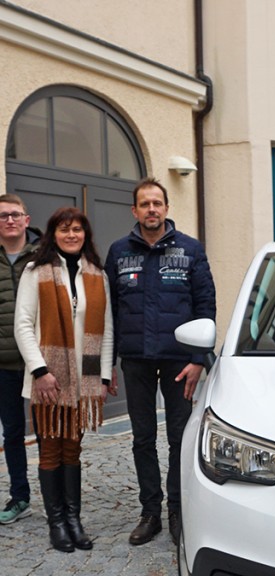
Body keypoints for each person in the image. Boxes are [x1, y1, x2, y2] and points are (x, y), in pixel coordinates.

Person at [105, 177, 215, 547]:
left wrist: (199, 358)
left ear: (167, 208)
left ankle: (178, 511)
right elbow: (112, 314)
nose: (152, 209)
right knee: (142, 439)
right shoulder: (119, 252)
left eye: (157, 203)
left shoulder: (190, 250)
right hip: (135, 360)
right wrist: (109, 364)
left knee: (180, 439)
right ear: (134, 211)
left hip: (179, 363)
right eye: (144, 204)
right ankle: (150, 512)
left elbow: (205, 306)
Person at [14, 207, 115, 552]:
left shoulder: (97, 275)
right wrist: (40, 371)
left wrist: (102, 377)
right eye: (64, 229)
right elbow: (23, 325)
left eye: (77, 229)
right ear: (52, 234)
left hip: (83, 379)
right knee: (50, 451)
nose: (71, 235)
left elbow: (107, 330)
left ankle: (74, 519)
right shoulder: (35, 271)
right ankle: (56, 522)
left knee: (73, 449)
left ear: (85, 234)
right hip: (49, 378)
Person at [0, 195, 40, 526]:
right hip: (4, 365)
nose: (9, 220)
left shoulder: (44, 256)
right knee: (12, 433)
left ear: (26, 220)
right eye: (3, 216)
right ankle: (21, 497)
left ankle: (57, 498)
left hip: (40, 364)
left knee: (48, 433)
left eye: (15, 215)